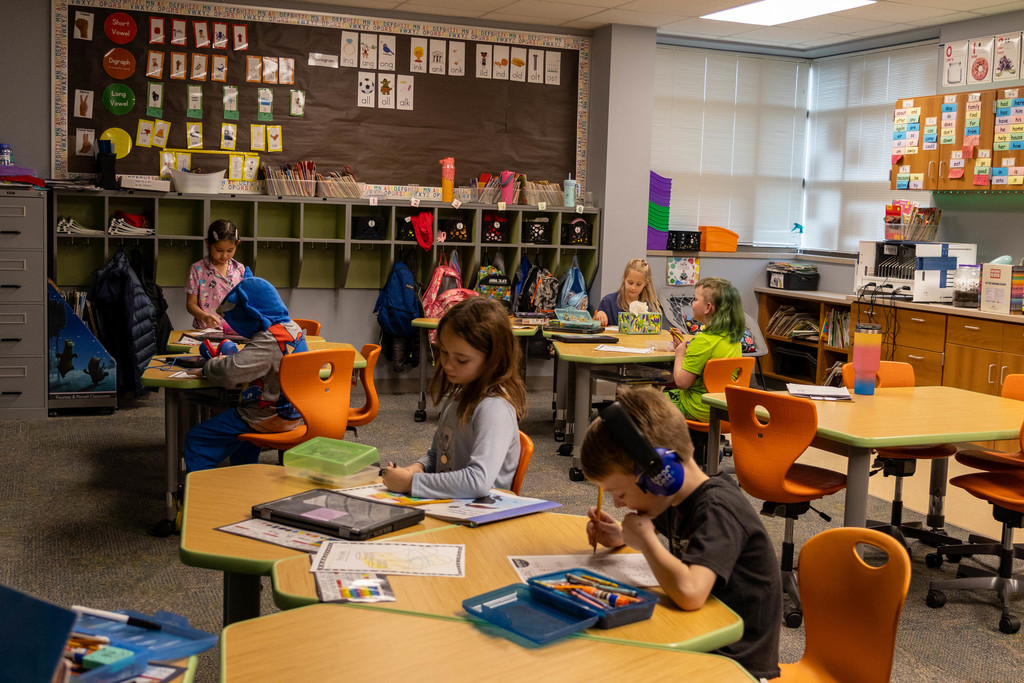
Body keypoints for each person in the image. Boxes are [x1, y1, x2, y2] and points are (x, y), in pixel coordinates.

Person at [582, 385, 782, 681]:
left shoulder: (717, 508)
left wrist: (647, 542)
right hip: (700, 638)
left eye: (620, 492)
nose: (618, 503)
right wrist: (619, 536)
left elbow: (690, 593)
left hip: (736, 664)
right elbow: (660, 530)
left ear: (661, 474)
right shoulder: (676, 499)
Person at [382, 297, 527, 499]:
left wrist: (412, 483)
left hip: (484, 514)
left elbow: (478, 482)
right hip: (454, 505)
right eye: (444, 352)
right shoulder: (458, 395)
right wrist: (416, 468)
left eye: (461, 359)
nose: (448, 365)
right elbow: (439, 456)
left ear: (493, 359)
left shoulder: (495, 408)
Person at [183, 276, 308, 472]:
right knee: (243, 442)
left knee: (199, 438)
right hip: (293, 414)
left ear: (251, 313)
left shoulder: (269, 339)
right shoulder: (293, 328)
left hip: (265, 417)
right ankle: (245, 482)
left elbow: (230, 374)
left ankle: (200, 496)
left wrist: (211, 365)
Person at [667, 277, 745, 423]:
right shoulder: (733, 338)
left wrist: (679, 354)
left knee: (639, 405)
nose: (692, 303)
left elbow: (681, 382)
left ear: (708, 307)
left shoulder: (703, 341)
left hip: (697, 407)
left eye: (695, 299)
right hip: (726, 409)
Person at [185, 219, 249, 331]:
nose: (224, 255)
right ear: (208, 243)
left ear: (237, 244)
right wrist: (204, 317)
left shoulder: (240, 269)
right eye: (219, 250)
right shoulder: (197, 269)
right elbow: (191, 304)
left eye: (230, 250)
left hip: (234, 330)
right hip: (205, 330)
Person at [593, 258, 663, 327]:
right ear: (624, 278)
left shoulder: (648, 305)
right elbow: (594, 325)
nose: (633, 288)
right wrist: (599, 315)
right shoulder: (608, 301)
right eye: (630, 283)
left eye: (638, 284)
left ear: (645, 283)